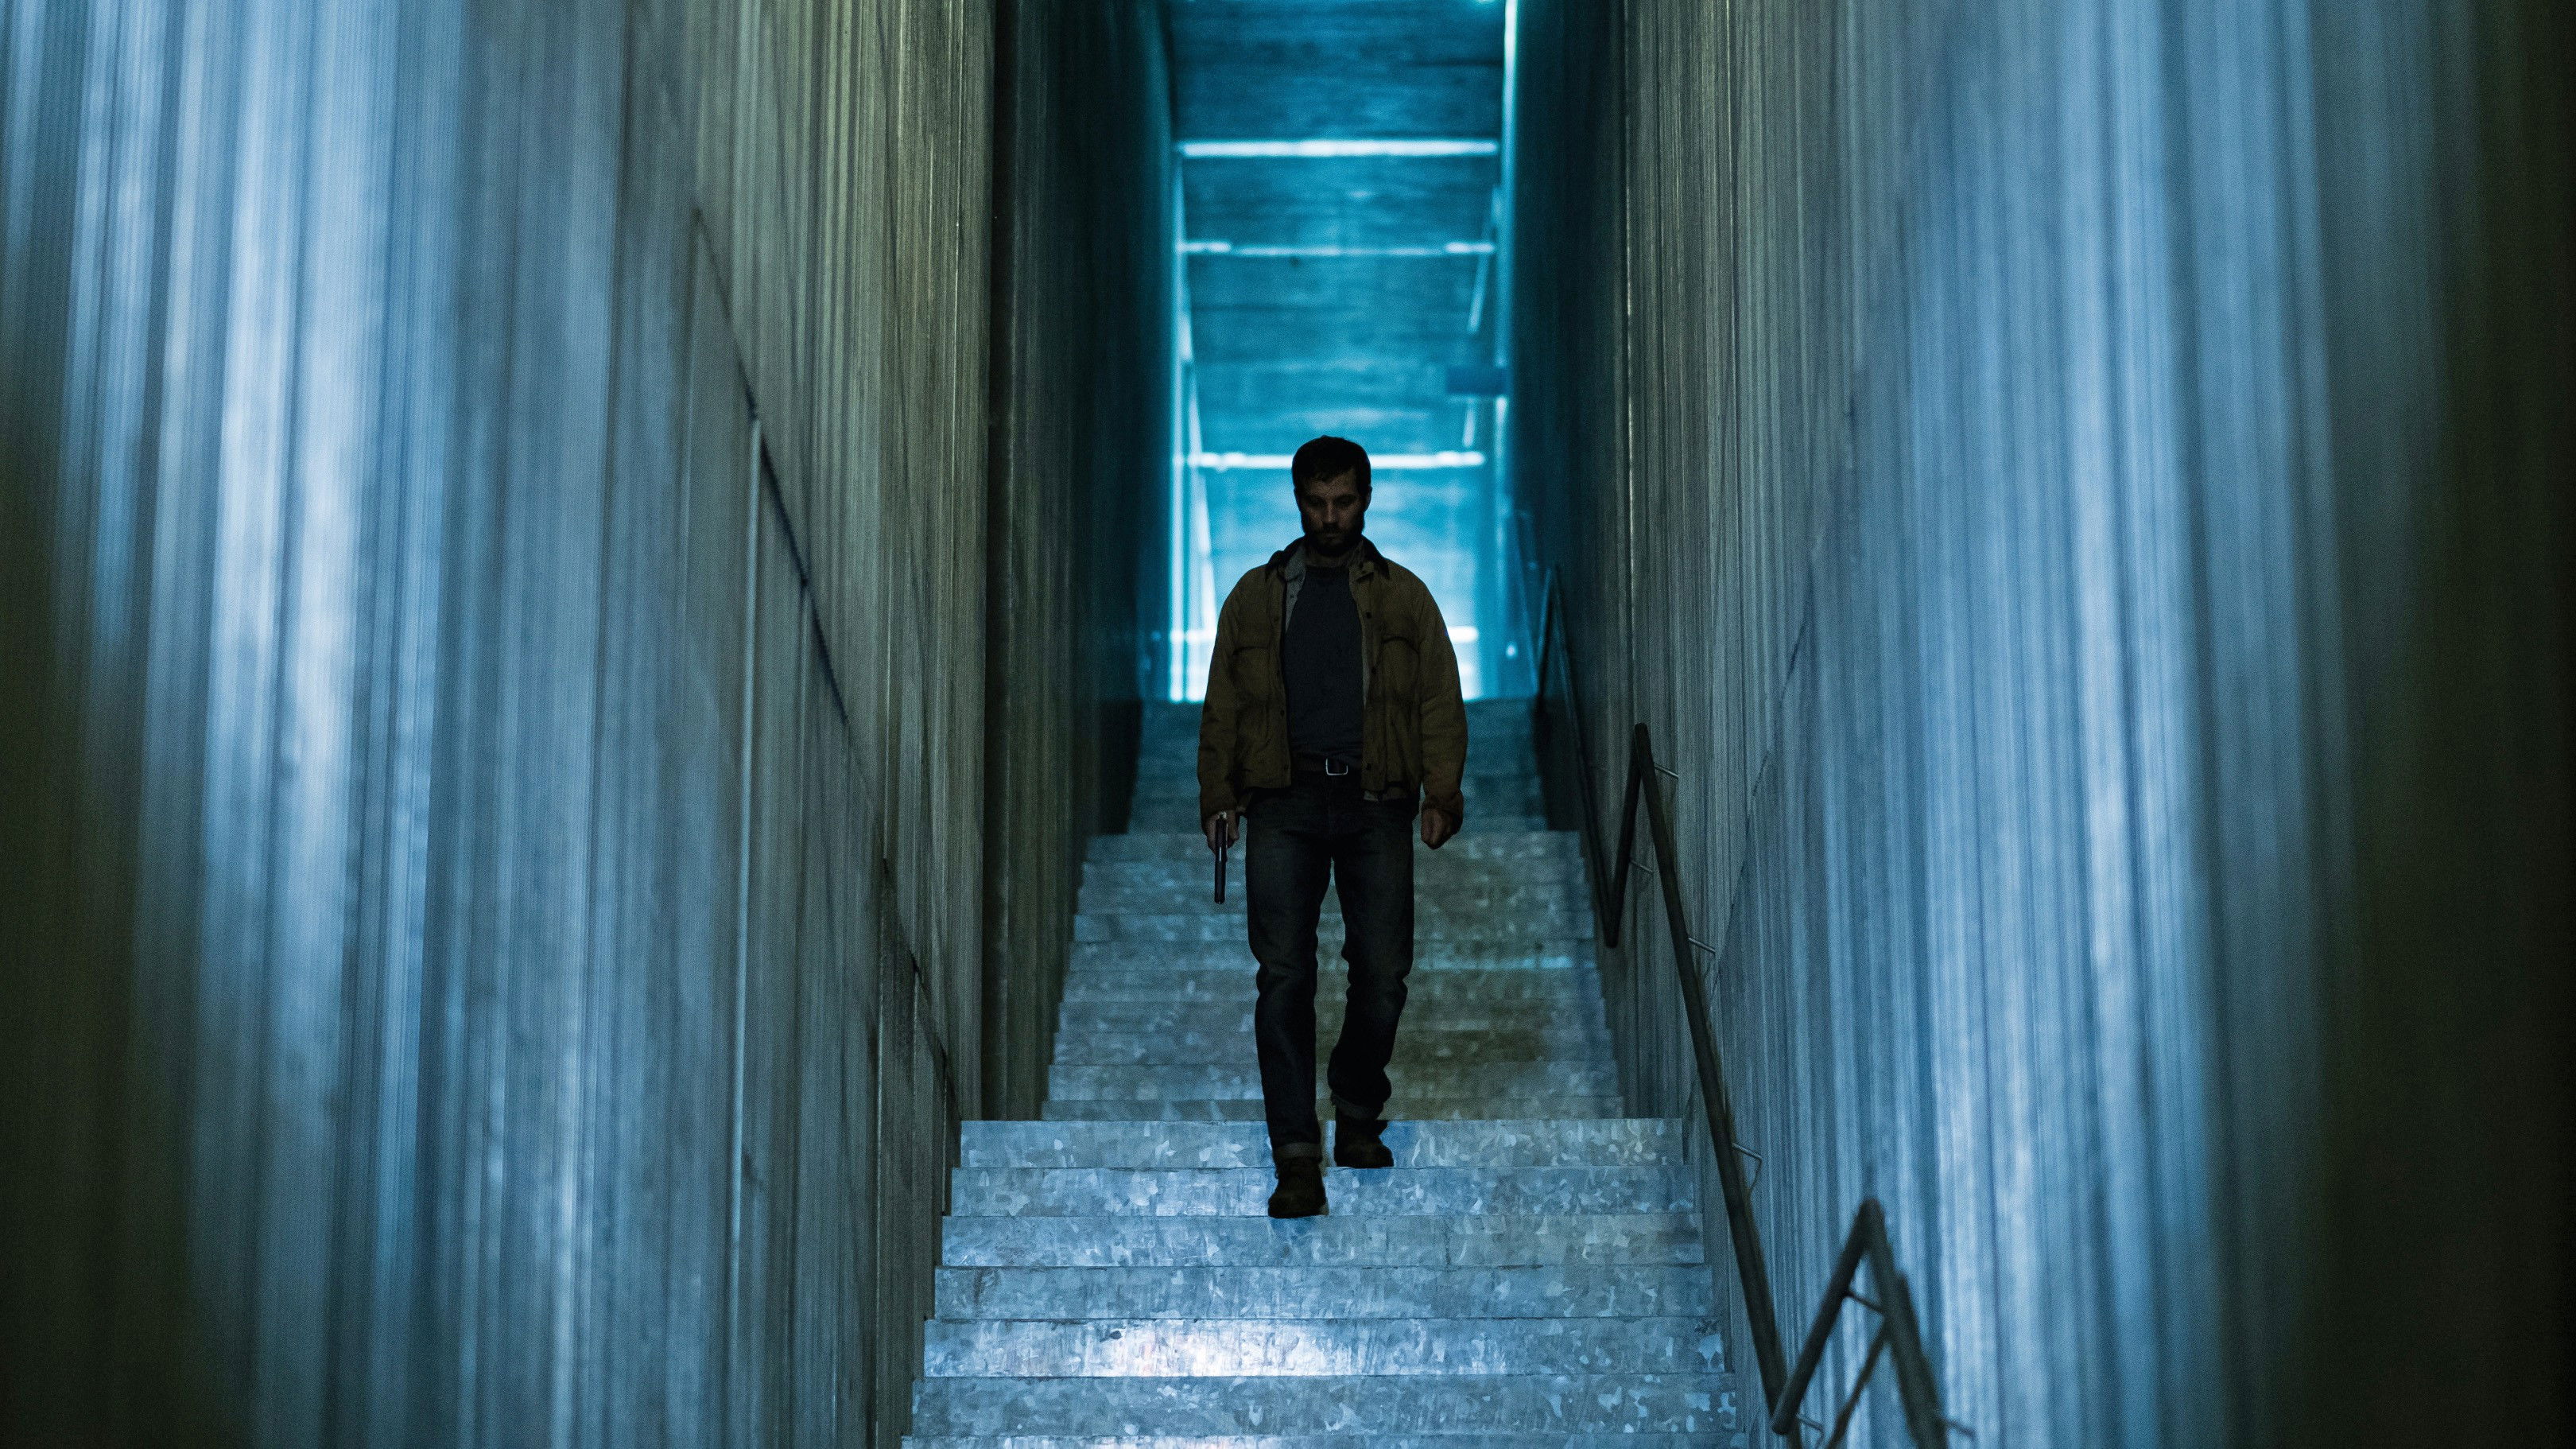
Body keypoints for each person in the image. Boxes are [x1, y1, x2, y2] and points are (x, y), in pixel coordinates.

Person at [1197, 435, 1468, 1218]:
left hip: (1376, 801)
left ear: (1366, 499)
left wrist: (1443, 793)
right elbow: (1223, 703)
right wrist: (1218, 794)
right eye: (1316, 503)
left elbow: (1438, 698)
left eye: (1343, 502)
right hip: (1282, 801)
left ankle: (1356, 1104)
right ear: (1296, 502)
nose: (1329, 517)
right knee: (1284, 976)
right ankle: (1296, 1156)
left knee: (1382, 972)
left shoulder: (1405, 598)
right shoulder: (1255, 598)